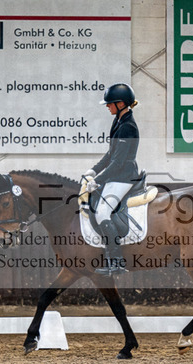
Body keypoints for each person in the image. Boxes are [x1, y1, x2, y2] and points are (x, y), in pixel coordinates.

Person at [84, 83, 140, 276]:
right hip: (117, 174)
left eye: (110, 103)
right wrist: (94, 170)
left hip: (124, 176)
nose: (107, 106)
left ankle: (116, 262)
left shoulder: (128, 127)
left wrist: (98, 180)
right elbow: (110, 154)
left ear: (121, 104)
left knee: (102, 213)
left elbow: (117, 162)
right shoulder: (118, 121)